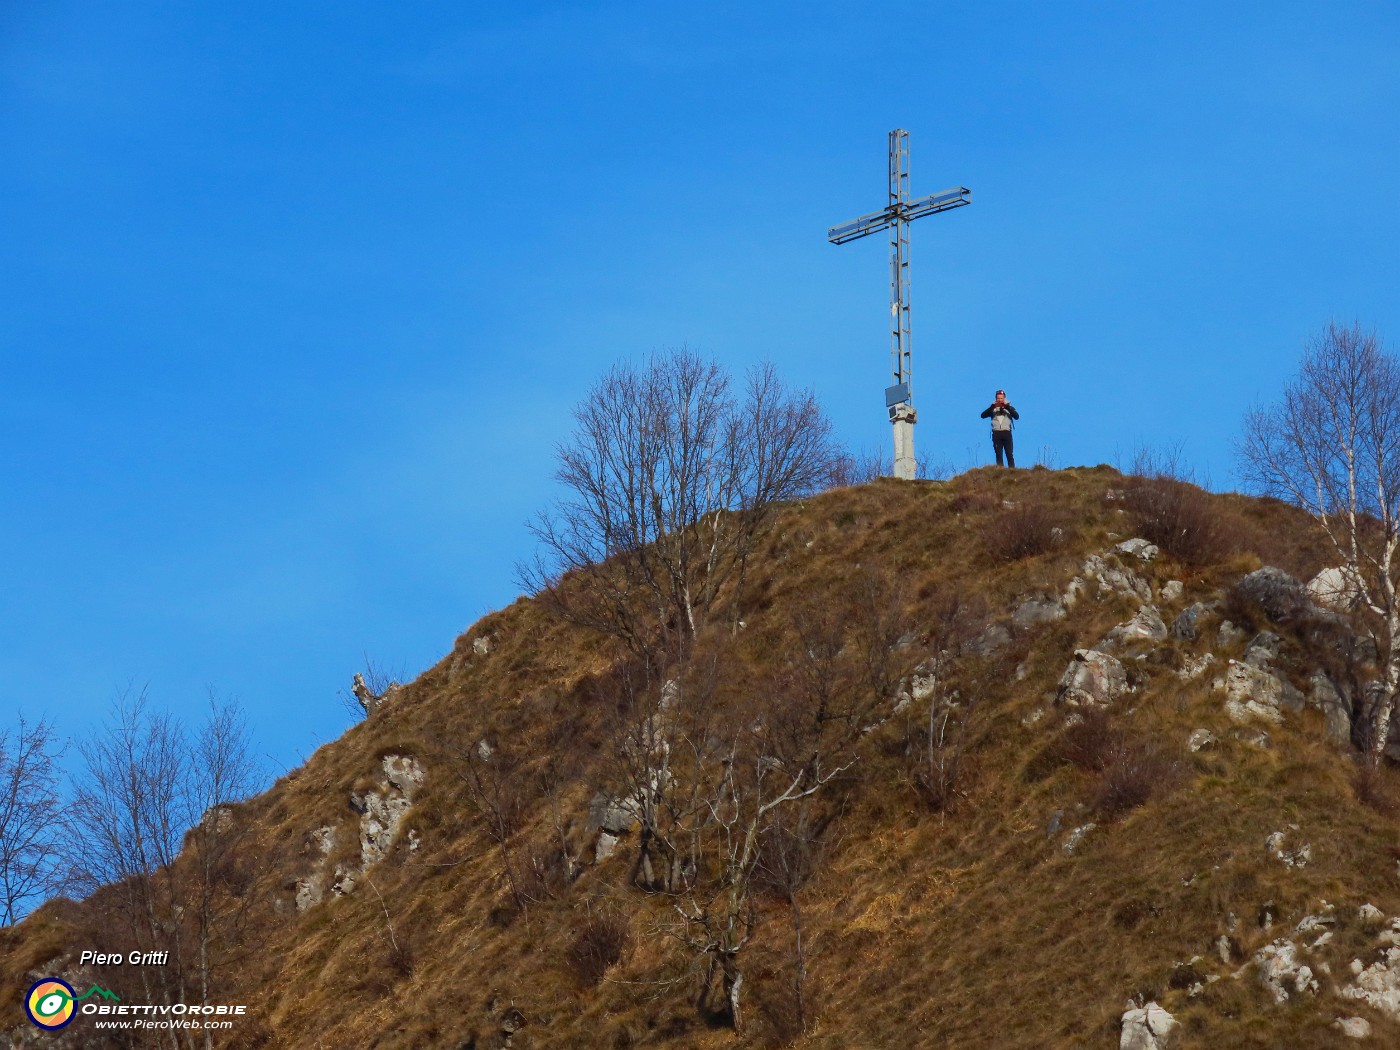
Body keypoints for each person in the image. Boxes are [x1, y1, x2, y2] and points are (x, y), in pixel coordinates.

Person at [979, 389, 1020, 467]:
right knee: (998, 454)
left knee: (1009, 454)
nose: (1000, 400)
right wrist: (992, 407)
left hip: (1007, 432)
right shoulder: (993, 409)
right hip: (996, 433)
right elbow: (982, 415)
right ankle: (1000, 471)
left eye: (1001, 398)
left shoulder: (1010, 408)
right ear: (996, 399)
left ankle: (1012, 470)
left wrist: (1007, 407)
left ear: (1004, 398)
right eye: (998, 398)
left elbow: (1017, 416)